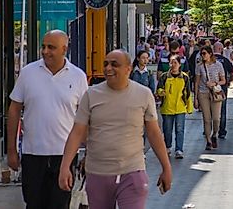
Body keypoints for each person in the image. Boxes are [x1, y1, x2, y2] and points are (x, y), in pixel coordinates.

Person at [59, 50, 172, 208]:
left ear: (128, 69)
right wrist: (65, 167)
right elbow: (77, 133)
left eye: (114, 64)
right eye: (106, 64)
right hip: (98, 173)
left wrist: (166, 168)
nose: (108, 68)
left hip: (132, 172)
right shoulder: (91, 95)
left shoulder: (144, 94)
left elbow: (154, 133)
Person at [7, 30, 88, 209]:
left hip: (65, 155)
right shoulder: (28, 73)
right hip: (33, 154)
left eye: (51, 47)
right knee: (34, 204)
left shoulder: (78, 76)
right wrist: (11, 150)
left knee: (60, 204)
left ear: (64, 49)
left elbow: (85, 118)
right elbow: (14, 111)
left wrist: (89, 152)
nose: (45, 51)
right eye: (43, 46)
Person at [156, 54, 193, 158]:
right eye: (171, 62)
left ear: (179, 64)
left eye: (175, 62)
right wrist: (161, 92)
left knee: (179, 129)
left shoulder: (185, 77)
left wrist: (189, 107)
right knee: (167, 129)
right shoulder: (164, 76)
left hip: (180, 107)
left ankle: (179, 149)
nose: (172, 65)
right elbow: (159, 88)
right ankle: (167, 147)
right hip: (167, 107)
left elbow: (188, 93)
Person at [194, 45, 227, 150]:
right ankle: (208, 140)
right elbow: (197, 82)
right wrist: (195, 97)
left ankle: (214, 135)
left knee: (216, 118)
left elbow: (224, 80)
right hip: (203, 93)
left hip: (215, 93)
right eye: (201, 54)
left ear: (210, 54)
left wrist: (214, 83)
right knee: (206, 119)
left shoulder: (218, 65)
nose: (202, 56)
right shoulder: (199, 66)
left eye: (204, 53)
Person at [213, 41, 233, 139]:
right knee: (222, 110)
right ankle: (222, 131)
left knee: (210, 110)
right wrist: (229, 81)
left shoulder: (208, 59)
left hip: (209, 88)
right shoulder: (225, 60)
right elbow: (232, 72)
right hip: (222, 88)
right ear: (221, 50)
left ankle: (210, 130)